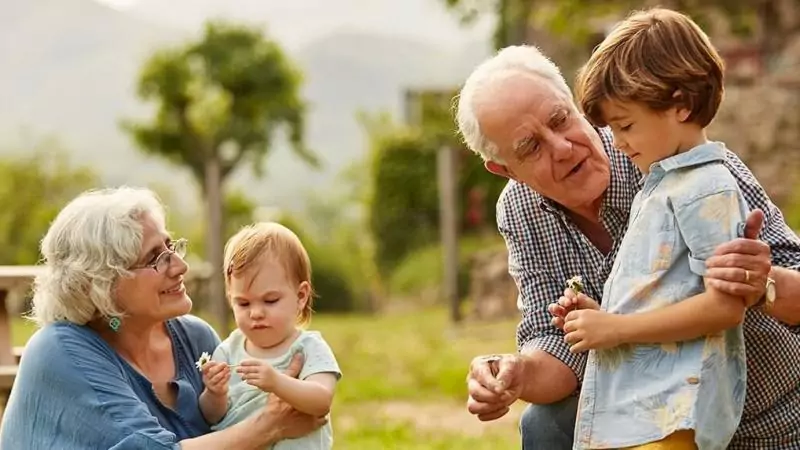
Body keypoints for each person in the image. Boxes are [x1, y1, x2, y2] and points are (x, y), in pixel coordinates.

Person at [455, 25, 800, 450]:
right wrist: (516, 374)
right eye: (531, 147)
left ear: (576, 105)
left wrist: (762, 283)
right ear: (506, 170)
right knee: (545, 424)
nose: (562, 148)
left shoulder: (680, 160)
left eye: (561, 119)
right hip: (650, 412)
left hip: (763, 412)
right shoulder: (521, 209)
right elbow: (556, 344)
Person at [548, 8, 750, 449]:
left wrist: (615, 330)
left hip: (677, 413)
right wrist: (601, 314)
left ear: (680, 103)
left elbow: (725, 308)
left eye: (625, 125)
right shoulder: (665, 181)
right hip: (649, 410)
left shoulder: (706, 188)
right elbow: (669, 289)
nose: (617, 142)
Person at [0, 187, 326, 450]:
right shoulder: (59, 351)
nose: (180, 266)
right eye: (156, 258)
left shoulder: (196, 338)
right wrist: (270, 425)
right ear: (103, 283)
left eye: (171, 247)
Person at [198, 222, 341, 450]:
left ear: (301, 296)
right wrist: (215, 393)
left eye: (270, 300)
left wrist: (276, 382)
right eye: (243, 303)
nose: (256, 313)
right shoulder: (227, 351)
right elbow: (213, 417)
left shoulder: (308, 347)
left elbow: (321, 401)